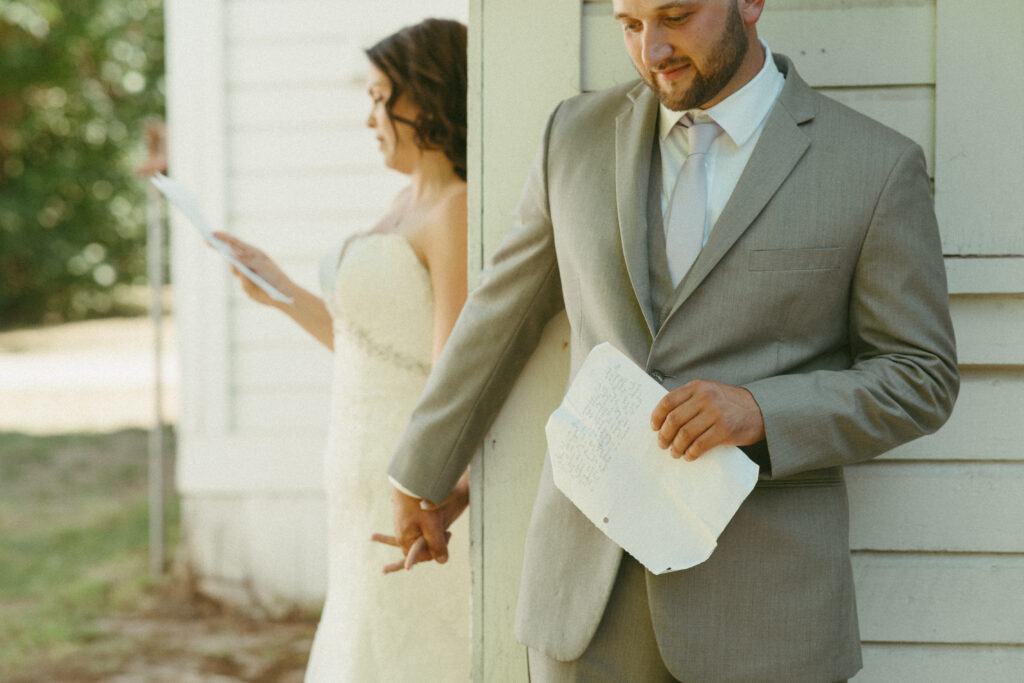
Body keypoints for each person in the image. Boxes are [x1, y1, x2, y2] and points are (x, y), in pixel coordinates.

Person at [387, 1, 959, 681]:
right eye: (629, 25)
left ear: (749, 3)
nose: (651, 50)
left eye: (676, 16)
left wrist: (760, 410)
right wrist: (418, 474)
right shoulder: (573, 136)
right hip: (585, 601)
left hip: (766, 612)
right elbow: (499, 317)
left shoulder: (873, 165)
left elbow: (920, 375)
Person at [218, 18, 471, 682]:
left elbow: (456, 373)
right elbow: (366, 346)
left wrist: (428, 477)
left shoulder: (455, 210)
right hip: (351, 469)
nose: (370, 118)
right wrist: (278, 288)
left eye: (378, 96)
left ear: (424, 96)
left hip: (407, 477)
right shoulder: (399, 202)